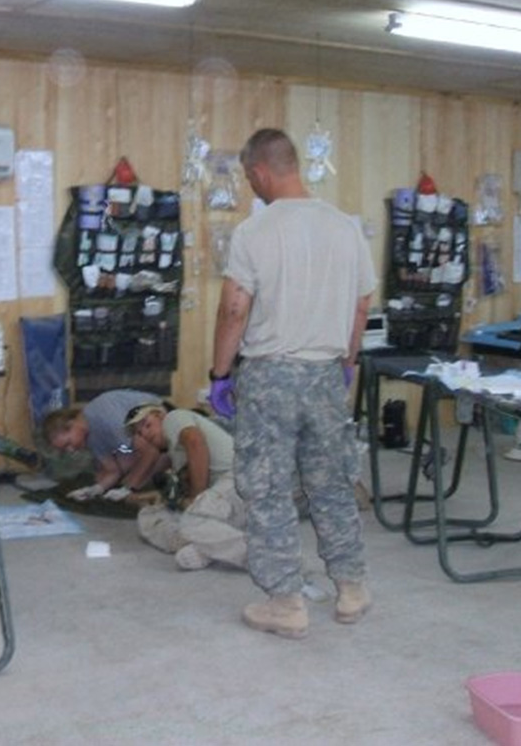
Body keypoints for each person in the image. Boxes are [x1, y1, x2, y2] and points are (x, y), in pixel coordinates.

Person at [209, 128, 378, 638]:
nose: (249, 187)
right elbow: (363, 303)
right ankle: (350, 588)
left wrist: (219, 373)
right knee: (331, 483)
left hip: (271, 376)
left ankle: (286, 601)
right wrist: (346, 360)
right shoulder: (346, 227)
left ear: (260, 171)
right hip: (327, 374)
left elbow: (235, 308)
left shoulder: (255, 232)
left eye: (247, 177)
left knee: (268, 489)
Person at [126, 403, 248, 571]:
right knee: (148, 516)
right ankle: (205, 547)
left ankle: (261, 557)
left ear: (160, 416)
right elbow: (181, 492)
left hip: (239, 478)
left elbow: (195, 442)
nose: (145, 434)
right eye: (139, 433)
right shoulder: (176, 455)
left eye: (147, 425)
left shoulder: (174, 417)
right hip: (227, 501)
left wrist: (194, 500)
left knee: (192, 520)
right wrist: (147, 498)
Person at [42, 389, 169, 501]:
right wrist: (95, 489)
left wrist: (128, 488)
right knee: (119, 476)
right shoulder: (89, 436)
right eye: (65, 450)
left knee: (139, 475)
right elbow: (112, 471)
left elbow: (151, 451)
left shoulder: (107, 419)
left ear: (72, 424)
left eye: (68, 444)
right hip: (137, 439)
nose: (71, 450)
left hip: (163, 418)